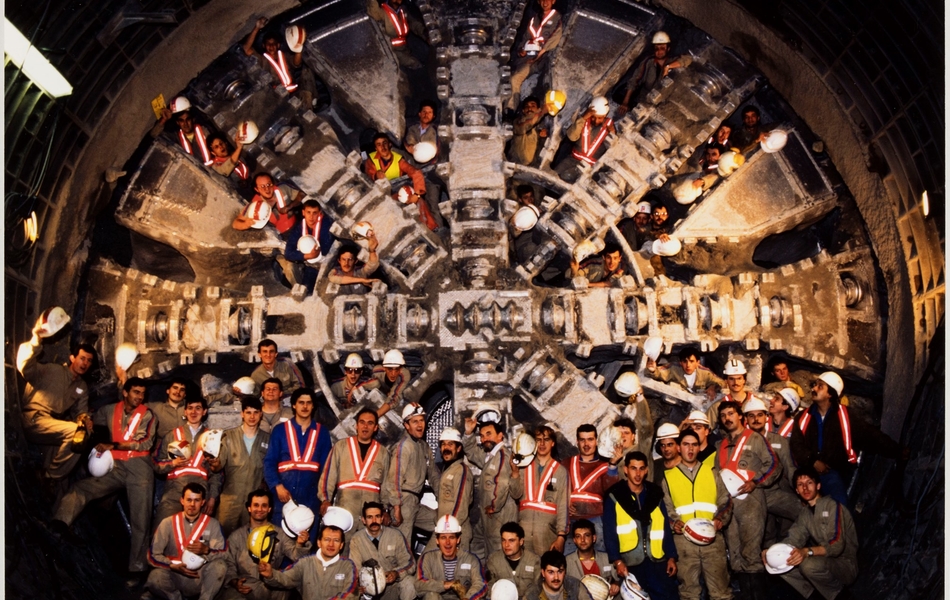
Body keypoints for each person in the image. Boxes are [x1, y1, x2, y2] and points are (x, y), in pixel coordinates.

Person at [52, 377, 157, 575]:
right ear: (125, 392)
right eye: (136, 392)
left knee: (140, 523)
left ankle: (137, 571)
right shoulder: (110, 410)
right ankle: (59, 523)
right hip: (116, 467)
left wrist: (113, 445)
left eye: (142, 393)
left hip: (139, 470)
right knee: (82, 488)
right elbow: (93, 420)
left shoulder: (148, 414)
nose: (140, 397)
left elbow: (145, 442)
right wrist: (85, 422)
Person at [790, 371, 903, 506]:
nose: (813, 389)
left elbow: (870, 436)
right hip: (809, 472)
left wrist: (897, 451)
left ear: (830, 394)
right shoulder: (803, 417)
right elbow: (796, 445)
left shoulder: (846, 416)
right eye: (815, 385)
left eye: (820, 386)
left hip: (834, 473)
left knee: (840, 509)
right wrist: (813, 461)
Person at [763, 466, 858, 600]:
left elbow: (836, 546)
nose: (805, 488)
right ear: (796, 490)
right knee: (780, 564)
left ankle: (841, 596)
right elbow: (793, 539)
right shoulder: (805, 514)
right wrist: (771, 552)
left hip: (845, 564)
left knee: (808, 565)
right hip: (825, 562)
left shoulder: (832, 506)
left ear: (818, 485)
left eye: (809, 483)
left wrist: (807, 552)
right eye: (800, 485)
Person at [660, 429, 732, 600]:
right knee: (688, 593)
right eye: (686, 444)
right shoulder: (668, 477)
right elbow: (665, 509)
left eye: (694, 445)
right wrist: (674, 523)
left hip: (713, 541)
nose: (690, 449)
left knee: (720, 592)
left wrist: (720, 518)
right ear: (679, 448)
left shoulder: (712, 473)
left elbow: (726, 500)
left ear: (700, 448)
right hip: (684, 543)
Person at [717, 401, 779, 598]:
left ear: (740, 416)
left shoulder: (755, 438)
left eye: (731, 414)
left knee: (751, 553)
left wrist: (756, 481)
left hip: (751, 499)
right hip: (729, 504)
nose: (727, 418)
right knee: (734, 556)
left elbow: (774, 464)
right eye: (724, 415)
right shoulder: (722, 444)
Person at [16, 330, 94, 483]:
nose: (85, 363)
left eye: (89, 361)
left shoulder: (82, 387)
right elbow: (26, 367)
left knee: (84, 432)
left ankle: (51, 482)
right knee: (76, 433)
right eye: (82, 358)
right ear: (72, 358)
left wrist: (85, 419)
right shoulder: (52, 370)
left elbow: (81, 411)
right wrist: (36, 340)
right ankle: (50, 478)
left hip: (52, 427)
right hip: (34, 419)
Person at [603, 452, 678, 600]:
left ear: (646, 470)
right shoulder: (615, 495)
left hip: (657, 561)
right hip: (631, 562)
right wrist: (617, 560)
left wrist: (671, 557)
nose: (637, 474)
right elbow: (609, 533)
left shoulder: (655, 494)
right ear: (625, 470)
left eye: (641, 468)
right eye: (633, 468)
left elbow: (665, 528)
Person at [220, 489, 312, 600]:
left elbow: (297, 557)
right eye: (256, 505)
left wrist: (300, 544)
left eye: (264, 506)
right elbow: (229, 564)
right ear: (249, 508)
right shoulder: (236, 537)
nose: (260, 509)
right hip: (246, 586)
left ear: (269, 509)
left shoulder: (280, 534)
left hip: (273, 587)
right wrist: (235, 582)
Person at [263, 388, 333, 531]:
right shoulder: (280, 430)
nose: (305, 406)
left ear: (313, 406)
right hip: (283, 496)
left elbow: (327, 469)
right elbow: (269, 462)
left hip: (311, 497)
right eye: (301, 402)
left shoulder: (322, 432)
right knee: (280, 541)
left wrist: (325, 497)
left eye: (309, 403)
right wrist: (277, 486)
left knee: (307, 543)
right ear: (294, 405)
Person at [146, 483, 228, 600]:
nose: (192, 504)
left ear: (203, 502)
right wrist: (171, 565)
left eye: (197, 500)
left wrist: (207, 550)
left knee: (220, 566)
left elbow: (224, 552)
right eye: (189, 500)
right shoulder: (167, 523)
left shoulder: (213, 524)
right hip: (175, 575)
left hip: (199, 576)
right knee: (155, 577)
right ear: (182, 500)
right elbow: (152, 555)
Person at [153, 396, 222, 525]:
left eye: (198, 408)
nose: (193, 412)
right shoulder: (172, 435)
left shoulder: (212, 437)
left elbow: (217, 473)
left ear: (204, 411)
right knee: (162, 530)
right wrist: (172, 463)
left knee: (196, 536)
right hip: (174, 492)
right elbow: (156, 464)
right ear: (185, 412)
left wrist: (212, 498)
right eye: (190, 408)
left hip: (200, 493)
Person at [743, 397, 802, 545]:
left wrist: (800, 490)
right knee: (765, 533)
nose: (756, 419)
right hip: (753, 493)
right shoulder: (741, 442)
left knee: (796, 516)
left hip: (777, 490)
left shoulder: (779, 441)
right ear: (746, 419)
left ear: (766, 417)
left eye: (760, 415)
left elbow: (790, 468)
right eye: (751, 415)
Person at [319, 407, 391, 529]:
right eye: (362, 422)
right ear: (356, 426)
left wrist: (385, 509)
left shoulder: (383, 452)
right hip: (345, 508)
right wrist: (325, 499)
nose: (365, 427)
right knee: (344, 544)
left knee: (367, 545)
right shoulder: (341, 446)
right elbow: (328, 475)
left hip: (371, 513)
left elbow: (386, 485)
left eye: (370, 423)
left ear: (375, 428)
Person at [462, 416, 522, 560]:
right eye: (482, 436)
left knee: (497, 556)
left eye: (489, 434)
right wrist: (469, 433)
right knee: (479, 550)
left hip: (499, 518)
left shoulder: (502, 456)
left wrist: (494, 506)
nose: (484, 439)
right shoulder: (490, 457)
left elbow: (501, 484)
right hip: (489, 519)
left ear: (500, 435)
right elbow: (471, 452)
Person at [210, 397, 270, 537]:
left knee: (252, 540)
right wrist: (214, 463)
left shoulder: (268, 439)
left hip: (254, 503)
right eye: (248, 412)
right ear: (242, 414)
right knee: (223, 538)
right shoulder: (228, 436)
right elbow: (218, 466)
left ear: (261, 414)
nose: (252, 416)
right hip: (230, 500)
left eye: (256, 412)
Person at [385, 403, 441, 543]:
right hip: (404, 500)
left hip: (416, 501)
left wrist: (444, 501)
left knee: (441, 526)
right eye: (415, 421)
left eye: (422, 420)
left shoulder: (423, 446)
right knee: (403, 545)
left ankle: (425, 563)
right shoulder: (404, 446)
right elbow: (394, 478)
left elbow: (434, 475)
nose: (419, 424)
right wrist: (396, 507)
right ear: (406, 425)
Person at [258, 523, 358, 598]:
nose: (331, 544)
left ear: (341, 545)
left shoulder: (348, 566)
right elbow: (286, 578)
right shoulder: (305, 563)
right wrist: (271, 574)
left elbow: (352, 592)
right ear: (319, 543)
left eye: (336, 540)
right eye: (327, 539)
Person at [365, 133, 442, 229]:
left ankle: (432, 228)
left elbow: (415, 172)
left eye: (385, 143)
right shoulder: (371, 160)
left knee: (419, 201)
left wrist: (417, 194)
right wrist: (376, 175)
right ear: (376, 148)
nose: (383, 147)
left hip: (399, 190)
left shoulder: (398, 159)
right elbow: (368, 175)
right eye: (379, 144)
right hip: (384, 195)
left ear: (390, 144)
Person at [514, 425, 568, 556]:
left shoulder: (560, 471)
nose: (542, 444)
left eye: (547, 439)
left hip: (547, 533)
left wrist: (561, 536)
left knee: (546, 571)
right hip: (523, 531)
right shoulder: (523, 467)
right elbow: (514, 494)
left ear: (553, 443)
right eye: (538, 440)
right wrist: (515, 474)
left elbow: (563, 505)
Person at [565, 424, 618, 554]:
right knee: (569, 559)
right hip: (571, 520)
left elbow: (612, 492)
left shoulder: (605, 466)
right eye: (582, 440)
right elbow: (556, 490)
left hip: (596, 520)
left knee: (600, 557)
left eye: (590, 439)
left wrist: (613, 464)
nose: (586, 444)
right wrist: (565, 503)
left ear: (596, 441)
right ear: (577, 442)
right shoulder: (566, 463)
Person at [242, 17, 319, 106]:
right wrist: (257, 28)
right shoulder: (261, 59)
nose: (271, 46)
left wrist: (298, 48)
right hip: (277, 97)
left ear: (278, 45)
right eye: (268, 44)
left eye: (273, 44)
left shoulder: (284, 55)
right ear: (264, 45)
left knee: (306, 72)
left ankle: (312, 101)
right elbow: (246, 49)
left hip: (294, 92)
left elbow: (296, 63)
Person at [349, 502, 417, 600]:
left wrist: (396, 573)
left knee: (409, 583)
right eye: (369, 517)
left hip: (391, 587)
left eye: (377, 516)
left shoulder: (395, 535)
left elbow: (410, 563)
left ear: (382, 518)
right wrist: (359, 585)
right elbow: (355, 569)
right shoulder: (357, 539)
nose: (374, 521)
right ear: (363, 520)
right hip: (369, 589)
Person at [617, 31, 692, 116]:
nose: (659, 51)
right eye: (657, 48)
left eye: (662, 48)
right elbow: (634, 80)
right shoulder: (648, 62)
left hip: (666, 101)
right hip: (646, 99)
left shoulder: (673, 60)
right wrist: (625, 102)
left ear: (668, 49)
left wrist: (668, 67)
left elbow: (688, 59)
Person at [507, 0, 562, 112]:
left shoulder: (557, 18)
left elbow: (556, 38)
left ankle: (514, 110)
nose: (545, 2)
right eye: (542, 0)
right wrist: (521, 50)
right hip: (528, 57)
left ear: (553, 1)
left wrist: (539, 55)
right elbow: (525, 38)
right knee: (511, 77)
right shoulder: (534, 19)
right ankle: (510, 109)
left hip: (544, 56)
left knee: (517, 79)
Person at [415, 515, 486, 600]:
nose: (447, 542)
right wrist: (444, 584)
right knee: (431, 596)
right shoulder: (428, 558)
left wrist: (468, 598)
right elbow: (419, 584)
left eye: (451, 537)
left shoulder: (471, 559)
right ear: (437, 540)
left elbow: (481, 584)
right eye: (443, 537)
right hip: (438, 598)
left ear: (458, 539)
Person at [426, 428, 473, 550]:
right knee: (427, 563)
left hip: (454, 532)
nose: (446, 448)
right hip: (444, 530)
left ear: (458, 448)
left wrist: (447, 533)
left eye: (450, 444)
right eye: (443, 444)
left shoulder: (461, 471)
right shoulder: (448, 470)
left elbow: (460, 507)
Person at [283, 199, 337, 293]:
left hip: (330, 264)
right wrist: (306, 256)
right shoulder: (299, 228)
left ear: (320, 213)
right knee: (306, 292)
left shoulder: (326, 224)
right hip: (312, 266)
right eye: (308, 212)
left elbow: (325, 248)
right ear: (303, 212)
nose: (311, 217)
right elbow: (288, 253)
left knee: (328, 292)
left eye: (315, 213)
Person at [557, 97, 614, 183]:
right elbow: (572, 137)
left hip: (589, 168)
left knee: (566, 179)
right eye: (593, 117)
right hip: (572, 160)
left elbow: (612, 150)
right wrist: (583, 118)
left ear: (605, 115)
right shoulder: (582, 121)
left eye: (600, 118)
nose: (596, 120)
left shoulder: (609, 128)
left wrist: (612, 134)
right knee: (554, 175)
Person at [646, 346, 723, 404]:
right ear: (680, 362)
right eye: (684, 361)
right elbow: (660, 372)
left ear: (697, 362)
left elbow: (721, 382)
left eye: (691, 361)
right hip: (678, 405)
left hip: (699, 405)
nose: (688, 365)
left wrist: (713, 387)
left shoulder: (705, 373)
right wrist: (653, 370)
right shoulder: (674, 368)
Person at [232, 173, 304, 235]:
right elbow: (235, 224)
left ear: (273, 184)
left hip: (298, 224)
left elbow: (302, 193)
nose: (267, 189)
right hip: (282, 235)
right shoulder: (254, 205)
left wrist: (290, 206)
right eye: (262, 186)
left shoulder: (283, 188)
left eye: (269, 184)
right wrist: (246, 224)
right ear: (257, 189)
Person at [485, 522, 541, 597]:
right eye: (503, 540)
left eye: (511, 541)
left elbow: (537, 587)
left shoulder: (534, 561)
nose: (506, 545)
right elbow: (489, 587)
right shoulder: (493, 560)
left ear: (521, 541)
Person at [150, 103, 215, 166]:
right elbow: (154, 134)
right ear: (178, 123)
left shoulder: (206, 132)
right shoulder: (176, 137)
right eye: (181, 120)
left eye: (188, 119)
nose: (185, 123)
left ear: (193, 120)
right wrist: (164, 119)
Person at [706, 358, 754, 432]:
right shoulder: (717, 406)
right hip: (728, 442)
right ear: (726, 381)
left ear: (744, 380)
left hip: (753, 441)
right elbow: (705, 429)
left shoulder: (756, 402)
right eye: (731, 379)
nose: (735, 382)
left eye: (739, 378)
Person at [564, 519, 616, 588]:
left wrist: (616, 584)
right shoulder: (567, 562)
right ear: (574, 540)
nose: (582, 540)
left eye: (587, 535)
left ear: (594, 538)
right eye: (578, 536)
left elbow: (618, 579)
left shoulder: (607, 558)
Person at [523, 551, 593, 600]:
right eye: (551, 572)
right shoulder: (531, 595)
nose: (556, 577)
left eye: (560, 572)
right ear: (543, 573)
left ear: (565, 572)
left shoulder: (575, 586)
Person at [378, 0, 428, 69]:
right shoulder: (381, 11)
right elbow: (372, 10)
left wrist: (425, 34)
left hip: (404, 48)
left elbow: (413, 23)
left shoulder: (402, 10)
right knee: (414, 64)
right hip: (392, 51)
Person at [508, 97, 550, 166]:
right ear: (523, 111)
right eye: (527, 106)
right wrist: (542, 112)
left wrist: (542, 137)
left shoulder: (539, 127)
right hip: (514, 166)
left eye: (533, 106)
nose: (529, 109)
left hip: (531, 169)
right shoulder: (518, 122)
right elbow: (523, 128)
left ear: (538, 109)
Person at [370, 349, 412, 418]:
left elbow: (394, 398)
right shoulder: (376, 372)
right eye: (390, 369)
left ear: (401, 369)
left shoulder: (404, 374)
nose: (393, 374)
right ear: (384, 368)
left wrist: (375, 416)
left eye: (397, 369)